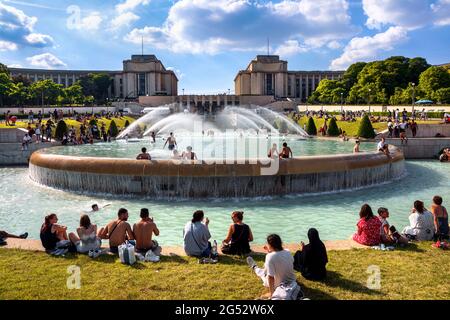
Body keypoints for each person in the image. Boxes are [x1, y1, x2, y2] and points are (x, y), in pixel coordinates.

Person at [247, 234, 300, 300]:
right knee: (267, 269)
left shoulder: (270, 256)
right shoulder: (288, 251)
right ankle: (255, 267)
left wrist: (272, 293)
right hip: (292, 281)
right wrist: (269, 251)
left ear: (270, 245)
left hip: (278, 284)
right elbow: (280, 256)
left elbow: (270, 277)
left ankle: (254, 267)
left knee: (263, 274)